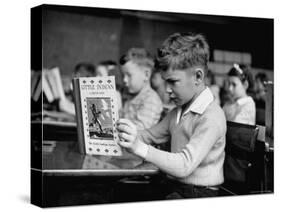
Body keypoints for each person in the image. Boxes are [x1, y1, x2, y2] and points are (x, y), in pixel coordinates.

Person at [117, 33, 226, 199]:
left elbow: (184, 165)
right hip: (174, 185)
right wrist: (126, 133)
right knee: (121, 192)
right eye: (165, 81)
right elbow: (148, 135)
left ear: (198, 76)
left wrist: (139, 147)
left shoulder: (211, 117)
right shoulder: (178, 111)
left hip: (198, 194)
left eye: (173, 81)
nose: (167, 89)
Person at [119, 47, 163, 130]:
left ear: (146, 75)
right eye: (123, 75)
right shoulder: (130, 97)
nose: (124, 80)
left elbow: (141, 129)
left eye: (129, 75)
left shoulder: (151, 100)